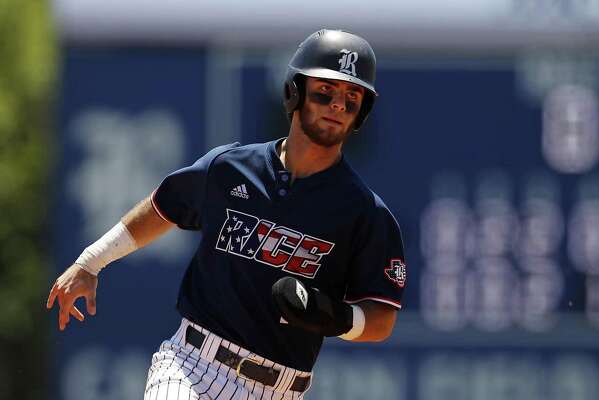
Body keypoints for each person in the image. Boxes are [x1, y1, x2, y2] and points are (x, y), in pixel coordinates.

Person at [47, 29, 407, 400]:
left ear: (362, 112)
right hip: (195, 365)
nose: (337, 105)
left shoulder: (364, 213)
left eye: (352, 97)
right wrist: (91, 262)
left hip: (282, 390)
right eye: (325, 90)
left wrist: (339, 318)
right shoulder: (231, 167)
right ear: (294, 92)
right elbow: (162, 208)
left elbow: (381, 316)